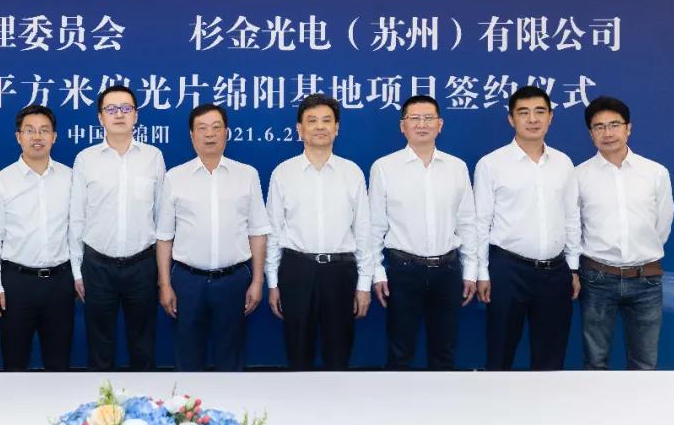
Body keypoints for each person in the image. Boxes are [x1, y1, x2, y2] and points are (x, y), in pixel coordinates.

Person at [155, 103, 270, 371]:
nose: (210, 134)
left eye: (216, 127)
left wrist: (257, 281)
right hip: (187, 281)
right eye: (202, 128)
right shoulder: (175, 177)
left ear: (226, 132)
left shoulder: (247, 175)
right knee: (187, 359)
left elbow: (257, 232)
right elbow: (164, 237)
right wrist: (165, 284)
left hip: (233, 280)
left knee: (231, 359)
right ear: (191, 135)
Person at [474, 86, 580, 371]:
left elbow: (571, 217)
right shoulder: (491, 164)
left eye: (539, 112)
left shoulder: (563, 163)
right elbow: (480, 223)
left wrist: (572, 268)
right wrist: (481, 272)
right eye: (524, 113)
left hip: (555, 272)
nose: (532, 119)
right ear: (511, 119)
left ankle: (547, 402)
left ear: (550, 117)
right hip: (508, 270)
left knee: (551, 359)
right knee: (500, 354)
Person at [265, 93, 372, 371]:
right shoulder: (283, 173)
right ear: (299, 129)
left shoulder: (352, 173)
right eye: (312, 121)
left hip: (340, 272)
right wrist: (273, 283)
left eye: (327, 120)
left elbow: (363, 232)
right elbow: (273, 232)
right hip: (297, 270)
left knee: (339, 356)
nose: (320, 126)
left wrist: (364, 284)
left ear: (337, 128)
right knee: (298, 355)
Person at [370, 95, 476, 370]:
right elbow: (375, 227)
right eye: (414, 118)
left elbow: (467, 222)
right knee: (400, 351)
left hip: (447, 270)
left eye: (428, 118)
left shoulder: (457, 167)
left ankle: (443, 399)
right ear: (402, 126)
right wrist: (377, 273)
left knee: (444, 351)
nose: (422, 124)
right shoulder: (384, 168)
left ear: (440, 124)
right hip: (403, 271)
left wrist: (470, 270)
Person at [70, 85, 165, 371]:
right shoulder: (85, 159)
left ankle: (145, 399)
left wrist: (162, 273)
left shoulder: (153, 157)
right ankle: (101, 400)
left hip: (142, 265)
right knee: (99, 348)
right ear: (101, 117)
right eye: (111, 109)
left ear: (136, 115)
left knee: (143, 346)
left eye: (126, 108)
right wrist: (77, 271)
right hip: (97, 265)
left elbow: (162, 217)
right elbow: (77, 218)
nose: (119, 114)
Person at [576, 96, 673, 370]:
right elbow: (574, 227)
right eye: (599, 127)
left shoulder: (655, 173)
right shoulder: (579, 175)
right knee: (595, 362)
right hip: (597, 278)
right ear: (591, 133)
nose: (607, 133)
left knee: (644, 363)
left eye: (614, 125)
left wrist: (642, 253)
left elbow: (662, 224)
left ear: (628, 128)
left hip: (646, 280)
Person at [0, 105, 75, 371]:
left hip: (59, 282)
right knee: (14, 362)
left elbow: (76, 232)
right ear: (18, 136)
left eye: (44, 130)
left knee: (59, 364)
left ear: (54, 136)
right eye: (30, 130)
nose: (37, 137)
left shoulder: (70, 178)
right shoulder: (2, 181)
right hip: (16, 284)